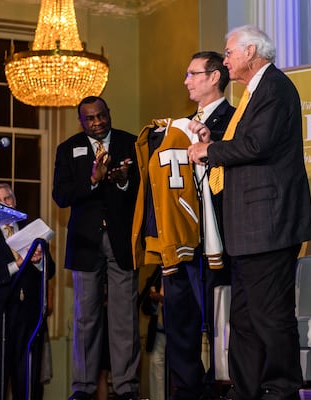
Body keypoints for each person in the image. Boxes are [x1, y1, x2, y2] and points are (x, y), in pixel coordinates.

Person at [187, 25, 311, 400]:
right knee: (243, 320)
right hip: (249, 228)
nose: (224, 60)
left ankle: (282, 389)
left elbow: (258, 144)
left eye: (228, 53)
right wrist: (216, 141)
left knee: (270, 315)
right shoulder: (253, 92)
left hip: (269, 224)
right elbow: (246, 142)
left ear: (251, 52)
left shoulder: (274, 88)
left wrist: (208, 153)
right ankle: (245, 391)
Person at [132, 51, 234, 400]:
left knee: (223, 325)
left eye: (192, 74)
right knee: (180, 325)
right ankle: (188, 391)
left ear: (214, 77)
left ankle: (225, 388)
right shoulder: (177, 128)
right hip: (180, 243)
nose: (186, 81)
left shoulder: (235, 121)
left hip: (219, 240)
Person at [52, 96, 140, 400]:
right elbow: (61, 196)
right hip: (85, 242)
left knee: (124, 316)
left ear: (109, 113)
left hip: (122, 239)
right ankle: (84, 388)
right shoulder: (67, 149)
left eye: (102, 116)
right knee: (85, 317)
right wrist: (92, 180)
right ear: (81, 121)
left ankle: (127, 387)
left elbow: (146, 191)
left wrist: (125, 182)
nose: (98, 123)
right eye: (90, 119)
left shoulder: (131, 143)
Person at [0, 183, 56, 400]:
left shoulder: (32, 230)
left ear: (15, 201)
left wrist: (39, 261)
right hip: (1, 318)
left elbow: (51, 270)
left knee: (28, 382)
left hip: (29, 319)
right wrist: (17, 264)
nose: (5, 204)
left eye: (8, 199)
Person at [140, 265, 166, 400]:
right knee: (156, 367)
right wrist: (153, 300)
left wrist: (163, 299)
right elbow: (144, 308)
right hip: (158, 330)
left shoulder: (180, 275)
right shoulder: (156, 275)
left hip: (175, 330)